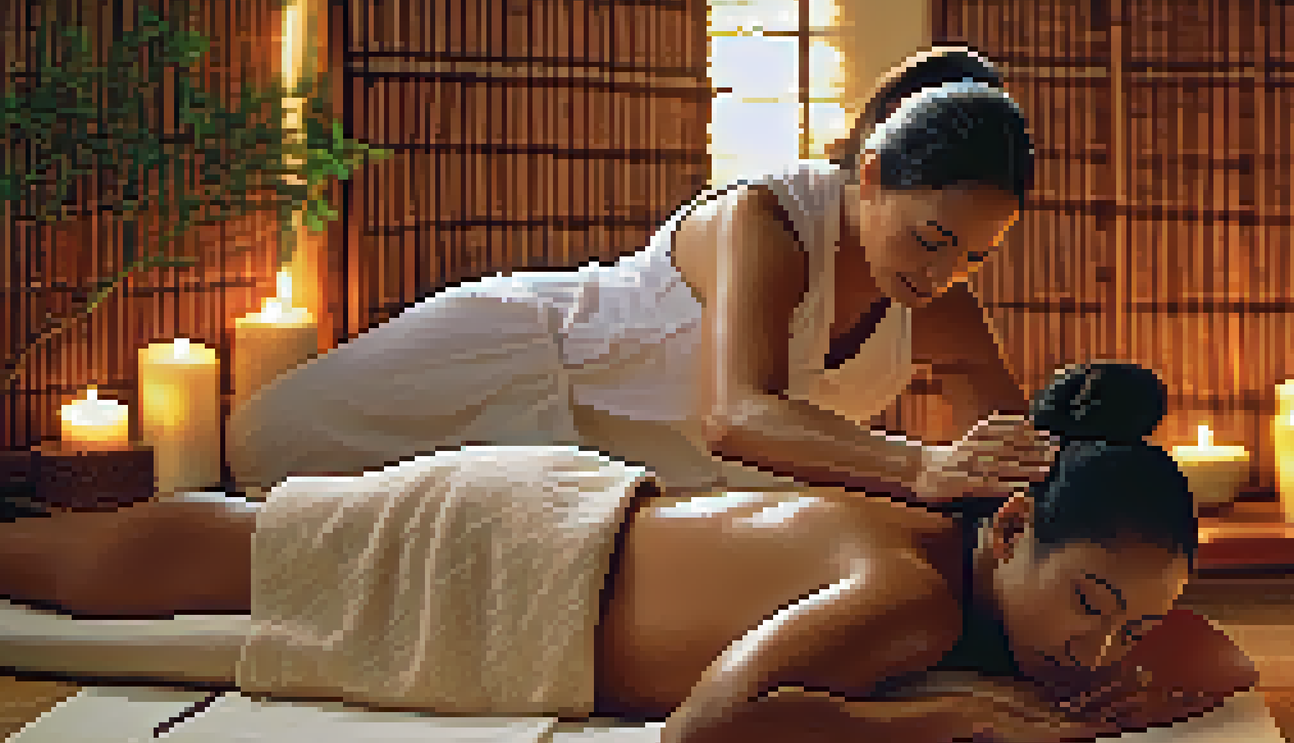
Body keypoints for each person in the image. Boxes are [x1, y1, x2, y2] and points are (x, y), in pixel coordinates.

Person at [0, 362, 1258, 743]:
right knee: (113, 565)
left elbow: (1225, 658)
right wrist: (966, 713)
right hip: (503, 550)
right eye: (1092, 606)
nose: (1101, 651)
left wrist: (1122, 644)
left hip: (561, 525)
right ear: (1009, 529)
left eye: (1132, 622)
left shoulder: (996, 583)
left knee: (193, 546)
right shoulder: (915, 592)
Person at [225, 45, 1046, 506]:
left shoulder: (942, 310)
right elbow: (736, 415)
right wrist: (921, 467)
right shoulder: (768, 223)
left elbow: (1020, 461)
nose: (943, 274)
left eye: (974, 255)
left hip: (604, 485)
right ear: (870, 177)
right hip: (517, 363)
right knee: (265, 454)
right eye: (930, 239)